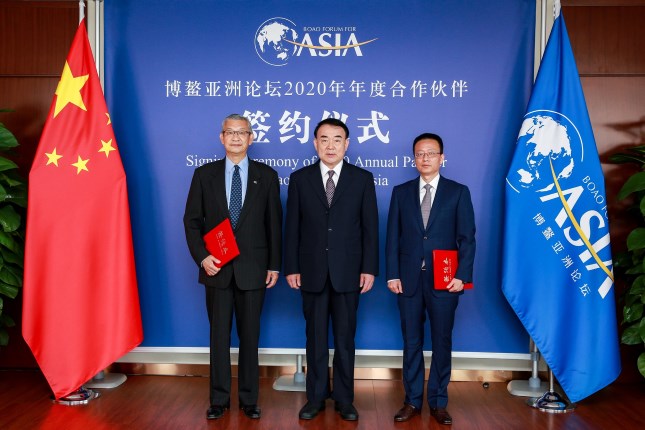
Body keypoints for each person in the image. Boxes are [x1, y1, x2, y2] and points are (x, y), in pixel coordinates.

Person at [183, 113, 282, 421]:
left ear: (251, 138)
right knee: (219, 337)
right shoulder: (204, 174)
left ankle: (250, 400)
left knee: (251, 337)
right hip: (217, 270)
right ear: (221, 137)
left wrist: (274, 265)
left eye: (243, 133)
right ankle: (219, 400)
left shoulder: (266, 175)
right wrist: (202, 257)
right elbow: (191, 222)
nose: (237, 138)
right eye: (230, 132)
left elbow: (274, 225)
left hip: (254, 270)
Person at [284, 118, 379, 422]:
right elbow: (292, 228)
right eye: (324, 139)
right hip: (310, 270)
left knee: (345, 338)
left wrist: (369, 268)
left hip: (349, 272)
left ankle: (344, 399)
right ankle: (315, 398)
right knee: (314, 338)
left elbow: (370, 229)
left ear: (346, 144)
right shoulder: (300, 179)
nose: (330, 145)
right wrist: (291, 267)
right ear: (315, 143)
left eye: (337, 139)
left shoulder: (362, 179)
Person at [385, 133, 475, 425]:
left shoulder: (458, 192)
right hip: (408, 280)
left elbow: (467, 239)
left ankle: (438, 401)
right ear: (414, 159)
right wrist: (393, 274)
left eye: (430, 153)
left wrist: (462, 276)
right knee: (411, 343)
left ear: (442, 158)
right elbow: (392, 239)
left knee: (441, 341)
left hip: (445, 281)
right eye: (419, 154)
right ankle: (411, 401)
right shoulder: (401, 192)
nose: (424, 158)